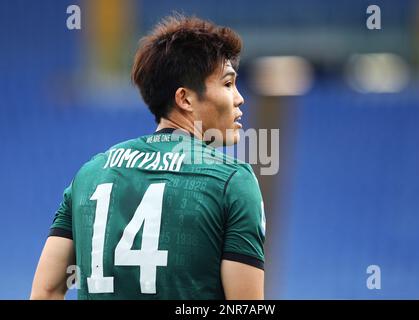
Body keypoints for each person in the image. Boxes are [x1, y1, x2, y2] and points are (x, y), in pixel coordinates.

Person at [30, 14, 266, 300]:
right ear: (185, 99)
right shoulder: (233, 180)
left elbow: (46, 290)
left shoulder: (91, 173)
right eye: (228, 84)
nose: (239, 98)